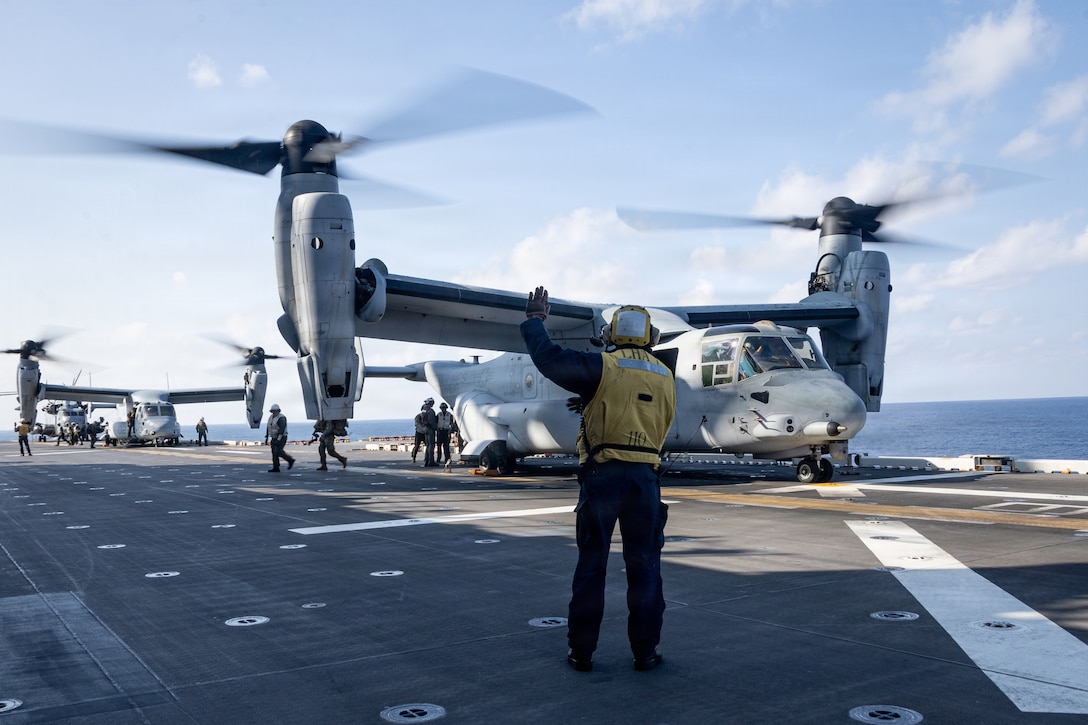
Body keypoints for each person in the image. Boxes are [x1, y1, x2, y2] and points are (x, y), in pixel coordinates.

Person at [521, 286, 676, 673]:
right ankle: (645, 652)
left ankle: (582, 653)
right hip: (646, 479)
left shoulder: (604, 367)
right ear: (650, 337)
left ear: (610, 335)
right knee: (645, 568)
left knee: (592, 567)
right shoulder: (665, 376)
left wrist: (535, 321)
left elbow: (550, 359)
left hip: (603, 476)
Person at [264, 403, 295, 473]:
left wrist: (278, 439)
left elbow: (282, 429)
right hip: (274, 437)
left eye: (275, 411)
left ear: (278, 411)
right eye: (273, 411)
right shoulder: (271, 417)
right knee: (274, 453)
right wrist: (266, 437)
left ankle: (290, 460)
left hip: (281, 437)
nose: (274, 412)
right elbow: (268, 427)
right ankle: (276, 467)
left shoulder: (281, 418)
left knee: (278, 451)